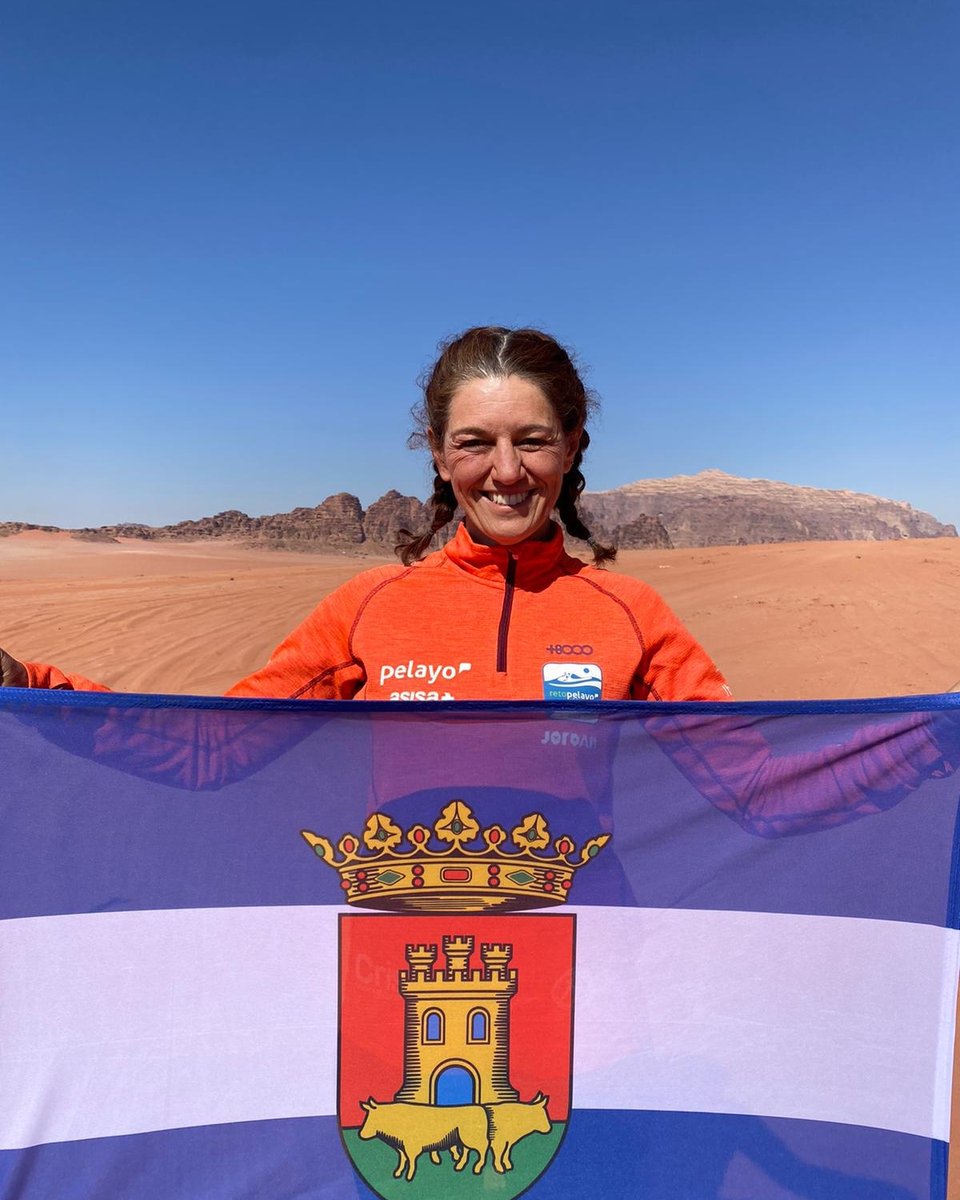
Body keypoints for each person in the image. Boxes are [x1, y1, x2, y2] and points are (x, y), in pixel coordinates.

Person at [0, 326, 731, 704]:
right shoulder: (368, 608)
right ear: (441, 458)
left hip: (582, 944)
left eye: (533, 441)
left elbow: (747, 780)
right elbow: (217, 745)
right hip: (402, 948)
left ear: (571, 448)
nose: (506, 472)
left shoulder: (633, 613)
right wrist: (30, 686)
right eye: (475, 444)